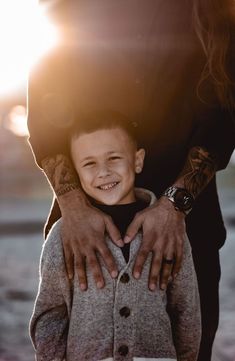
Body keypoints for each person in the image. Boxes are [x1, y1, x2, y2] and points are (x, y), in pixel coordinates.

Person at [27, 1, 235, 360]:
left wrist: (173, 208)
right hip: (84, 227)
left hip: (188, 228)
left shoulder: (217, 9)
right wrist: (73, 207)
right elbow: (46, 113)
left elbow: (223, 118)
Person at [30, 112, 201, 361]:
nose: (103, 171)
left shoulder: (168, 232)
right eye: (89, 163)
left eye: (114, 158)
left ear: (137, 160)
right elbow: (50, 315)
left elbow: (186, 311)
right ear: (75, 171)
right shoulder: (62, 234)